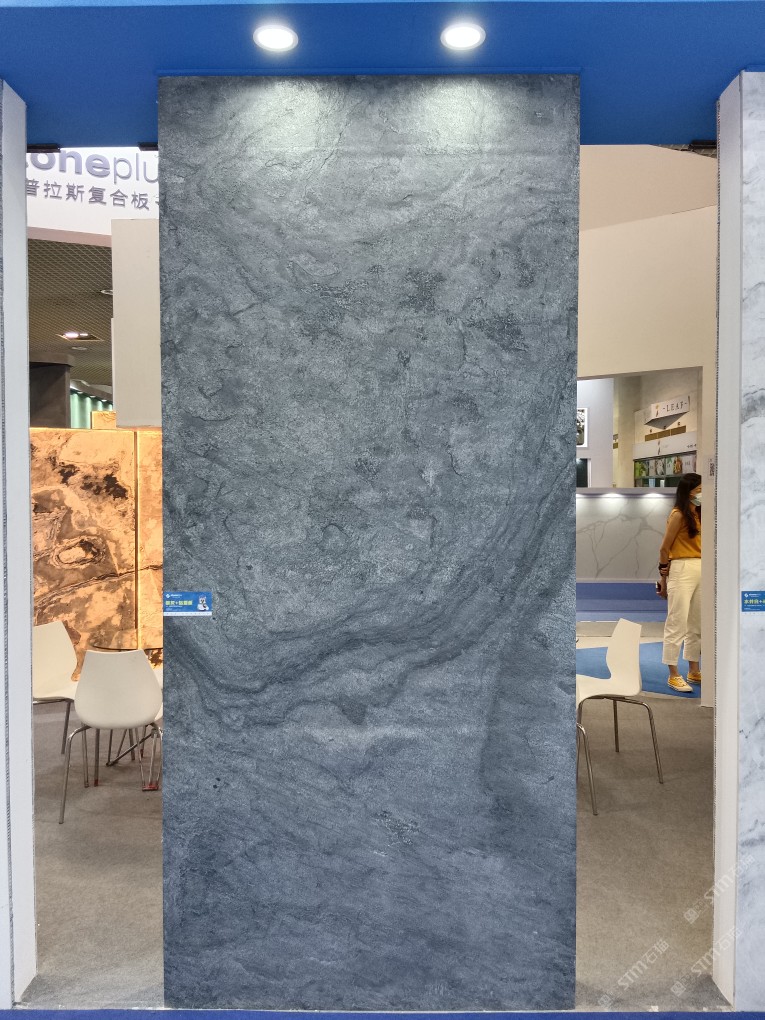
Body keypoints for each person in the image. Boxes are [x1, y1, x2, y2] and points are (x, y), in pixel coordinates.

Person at [658, 472, 702, 692]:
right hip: (681, 567)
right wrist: (663, 577)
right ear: (689, 492)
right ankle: (673, 674)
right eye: (699, 490)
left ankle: (694, 669)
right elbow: (664, 548)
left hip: (702, 567)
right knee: (677, 622)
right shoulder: (678, 514)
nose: (702, 493)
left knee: (697, 623)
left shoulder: (701, 513)